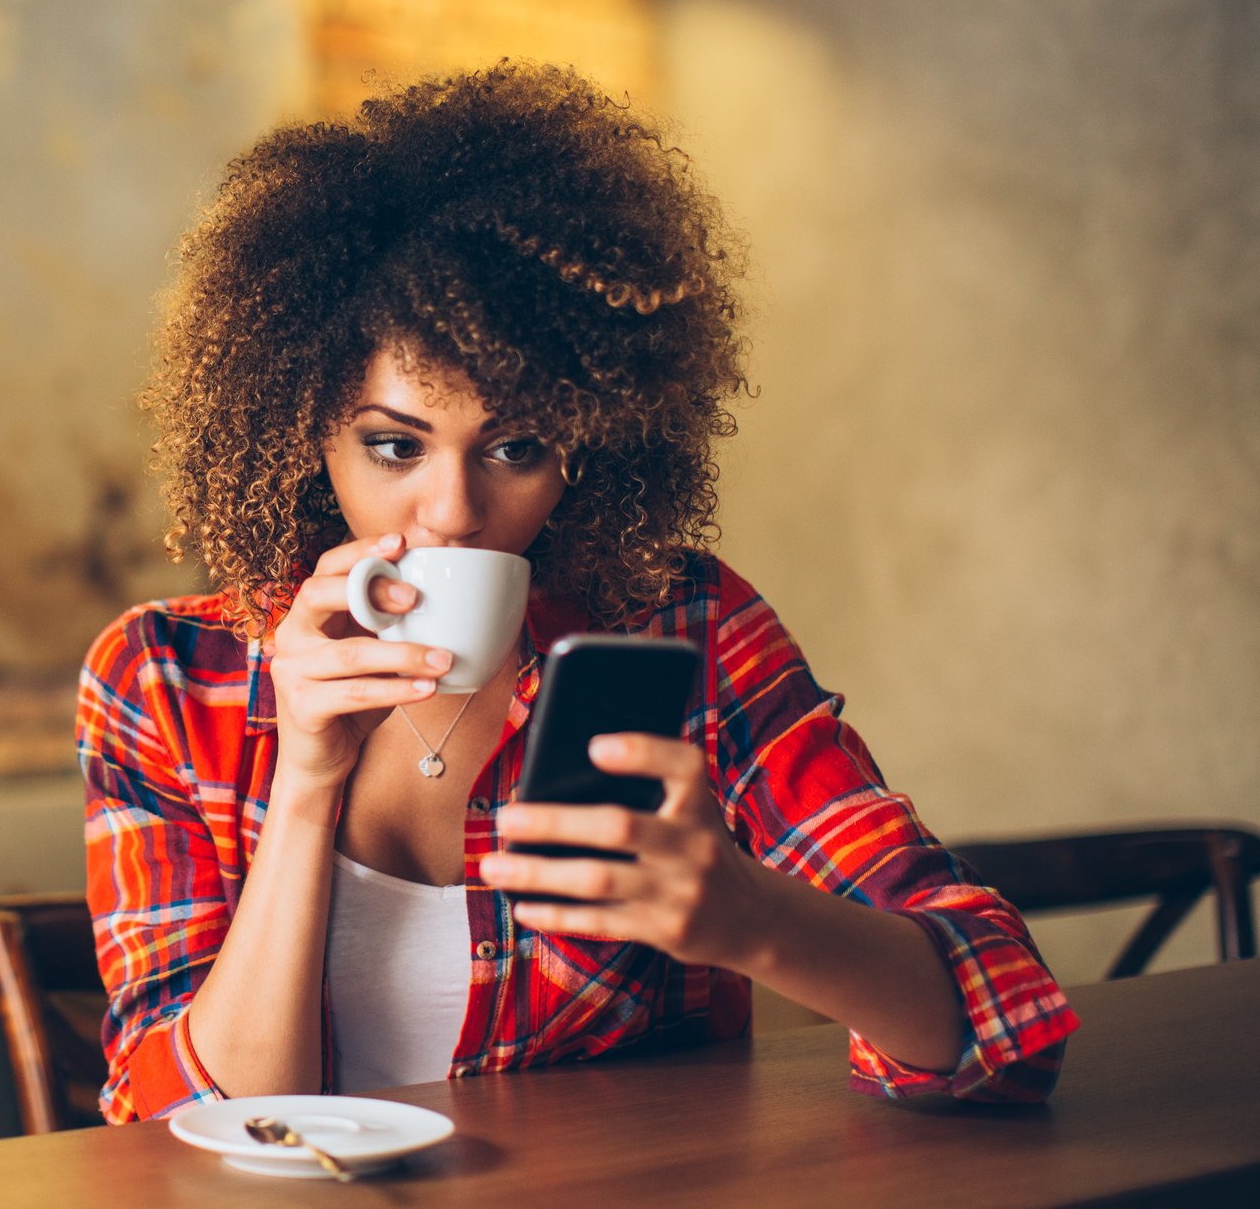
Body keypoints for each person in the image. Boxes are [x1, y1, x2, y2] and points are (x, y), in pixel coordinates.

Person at [76, 62, 1076, 1123]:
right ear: (301, 428)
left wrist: (747, 916)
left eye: (515, 444)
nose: (453, 508)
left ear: (589, 447)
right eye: (392, 445)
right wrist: (307, 784)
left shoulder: (678, 629)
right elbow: (181, 1130)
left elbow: (1007, 1027)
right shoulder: (168, 681)